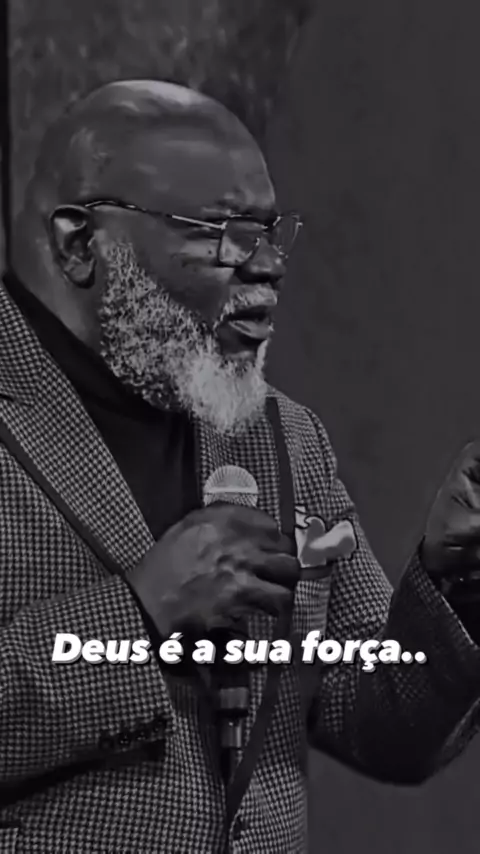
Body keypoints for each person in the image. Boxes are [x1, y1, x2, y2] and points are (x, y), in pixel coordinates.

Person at [1, 79, 480, 854]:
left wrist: (457, 578)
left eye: (270, 232)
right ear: (80, 243)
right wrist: (140, 613)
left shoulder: (283, 434)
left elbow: (381, 722)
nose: (269, 266)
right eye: (222, 232)